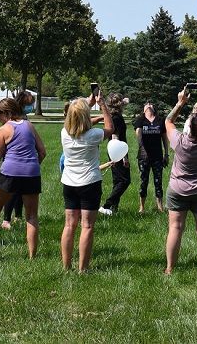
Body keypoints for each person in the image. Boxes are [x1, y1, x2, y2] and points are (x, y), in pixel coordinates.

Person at [0, 98, 47, 258]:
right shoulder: (30, 126)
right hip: (32, 174)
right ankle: (33, 256)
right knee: (31, 215)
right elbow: (42, 152)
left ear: (8, 113)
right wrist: (31, 166)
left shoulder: (3, 130)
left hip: (9, 174)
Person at [164, 83, 197, 274]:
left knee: (175, 228)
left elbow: (168, 122)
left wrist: (180, 103)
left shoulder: (180, 141)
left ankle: (170, 268)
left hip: (178, 190)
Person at [60, 90, 113, 272]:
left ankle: (66, 266)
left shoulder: (64, 133)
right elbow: (110, 128)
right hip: (89, 183)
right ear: (85, 116)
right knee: (87, 226)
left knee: (69, 225)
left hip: (69, 183)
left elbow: (78, 119)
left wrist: (86, 104)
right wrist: (103, 105)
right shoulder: (93, 135)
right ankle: (83, 268)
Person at [135, 102, 169, 213]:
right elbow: (138, 134)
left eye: (151, 104)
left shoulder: (160, 121)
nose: (148, 105)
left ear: (154, 108)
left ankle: (160, 207)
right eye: (146, 104)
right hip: (144, 156)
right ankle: (142, 207)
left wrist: (166, 154)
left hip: (157, 156)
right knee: (143, 181)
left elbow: (164, 138)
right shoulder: (140, 120)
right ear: (143, 109)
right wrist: (142, 148)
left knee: (158, 181)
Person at [100, 93, 131, 215]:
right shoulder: (117, 118)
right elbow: (115, 137)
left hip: (113, 151)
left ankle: (113, 209)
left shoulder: (113, 116)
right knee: (124, 181)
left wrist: (123, 101)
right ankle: (107, 205)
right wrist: (124, 157)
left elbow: (123, 102)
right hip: (117, 152)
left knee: (117, 180)